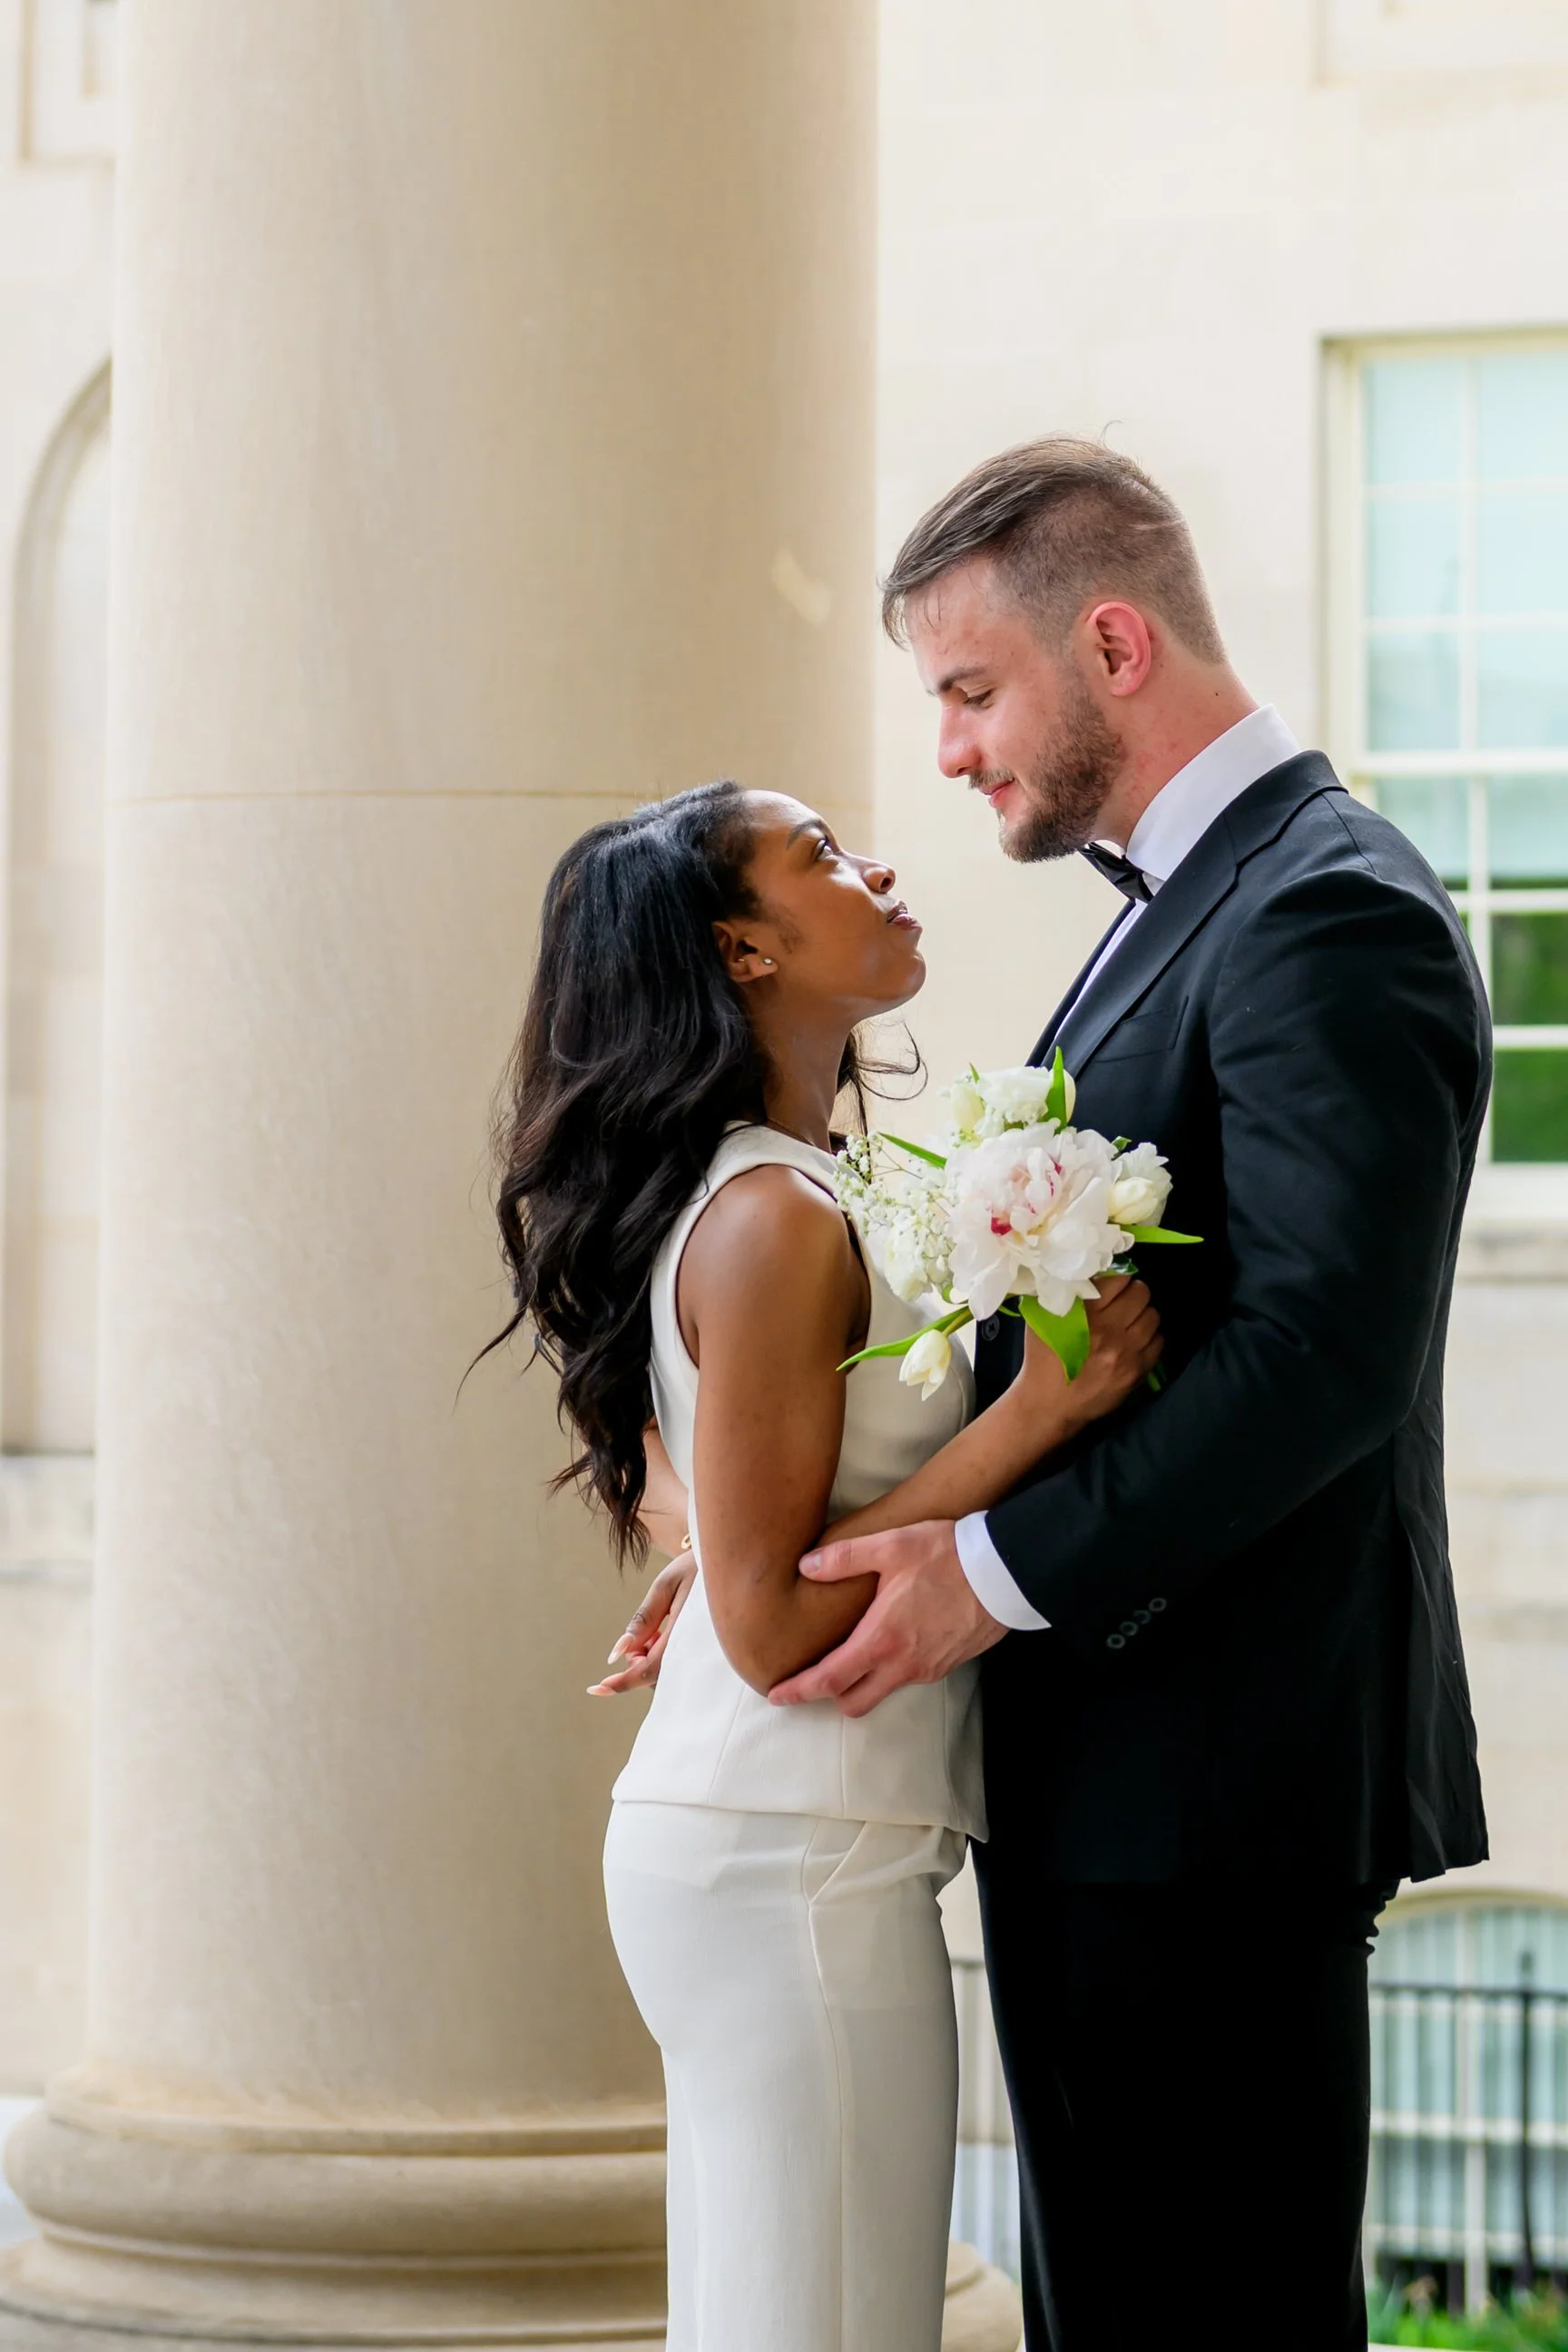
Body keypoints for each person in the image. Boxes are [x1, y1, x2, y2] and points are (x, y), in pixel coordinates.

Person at [750, 437, 1492, 2352]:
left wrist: (984, 1571)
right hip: (1111, 1788)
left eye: (972, 691)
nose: (951, 751)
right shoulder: (1172, 902)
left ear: (1112, 644)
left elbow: (1320, 1357)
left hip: (1220, 1789)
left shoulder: (1333, 908)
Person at [485, 780, 1161, 2352]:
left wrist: (727, 1562)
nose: (878, 867)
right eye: (822, 858)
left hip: (783, 1843)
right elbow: (778, 1619)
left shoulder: (801, 1185)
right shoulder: (775, 1218)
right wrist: (1041, 1418)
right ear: (744, 948)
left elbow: (738, 1538)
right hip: (796, 1858)